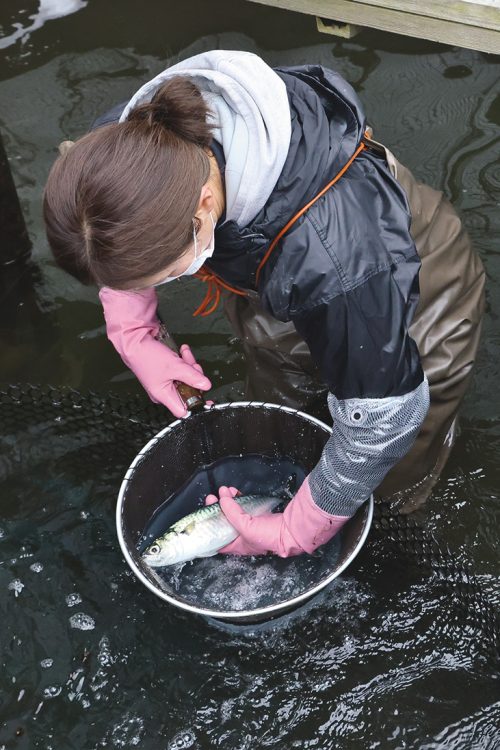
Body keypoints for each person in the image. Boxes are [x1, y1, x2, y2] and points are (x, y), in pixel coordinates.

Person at [43, 50, 485, 558]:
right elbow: (115, 247)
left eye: (165, 274)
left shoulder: (337, 257)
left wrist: (305, 526)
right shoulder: (131, 147)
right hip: (268, 276)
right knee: (270, 435)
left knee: (384, 470)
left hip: (408, 292)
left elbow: (388, 415)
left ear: (203, 206)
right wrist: (134, 330)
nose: (162, 283)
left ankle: (389, 529)